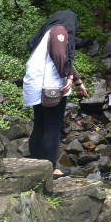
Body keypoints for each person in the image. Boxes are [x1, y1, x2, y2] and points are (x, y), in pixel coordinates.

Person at [23, 11, 89, 178]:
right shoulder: (60, 30)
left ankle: (35, 164)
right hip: (50, 86)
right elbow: (59, 54)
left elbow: (63, 58)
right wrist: (67, 75)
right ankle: (50, 169)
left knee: (40, 124)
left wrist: (77, 81)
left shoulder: (49, 31)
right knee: (52, 127)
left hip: (36, 84)